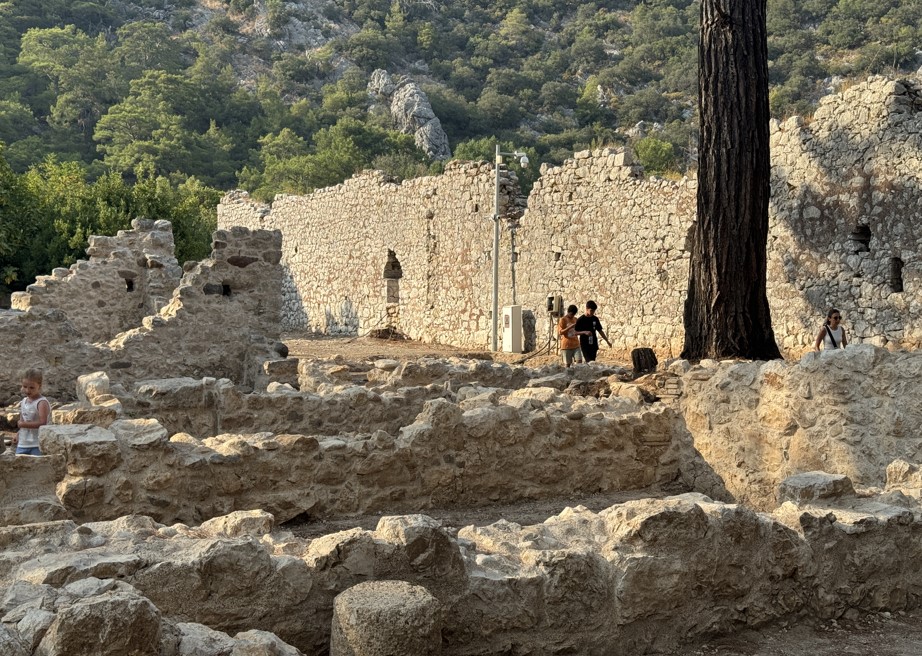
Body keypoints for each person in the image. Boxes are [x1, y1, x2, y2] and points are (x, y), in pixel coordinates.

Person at [13, 368, 50, 456]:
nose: (27, 390)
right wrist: (17, 434)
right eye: (25, 387)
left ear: (39, 386)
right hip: (23, 443)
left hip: (37, 444)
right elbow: (23, 420)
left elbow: (43, 423)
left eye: (31, 387)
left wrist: (23, 424)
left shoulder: (41, 403)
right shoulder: (23, 402)